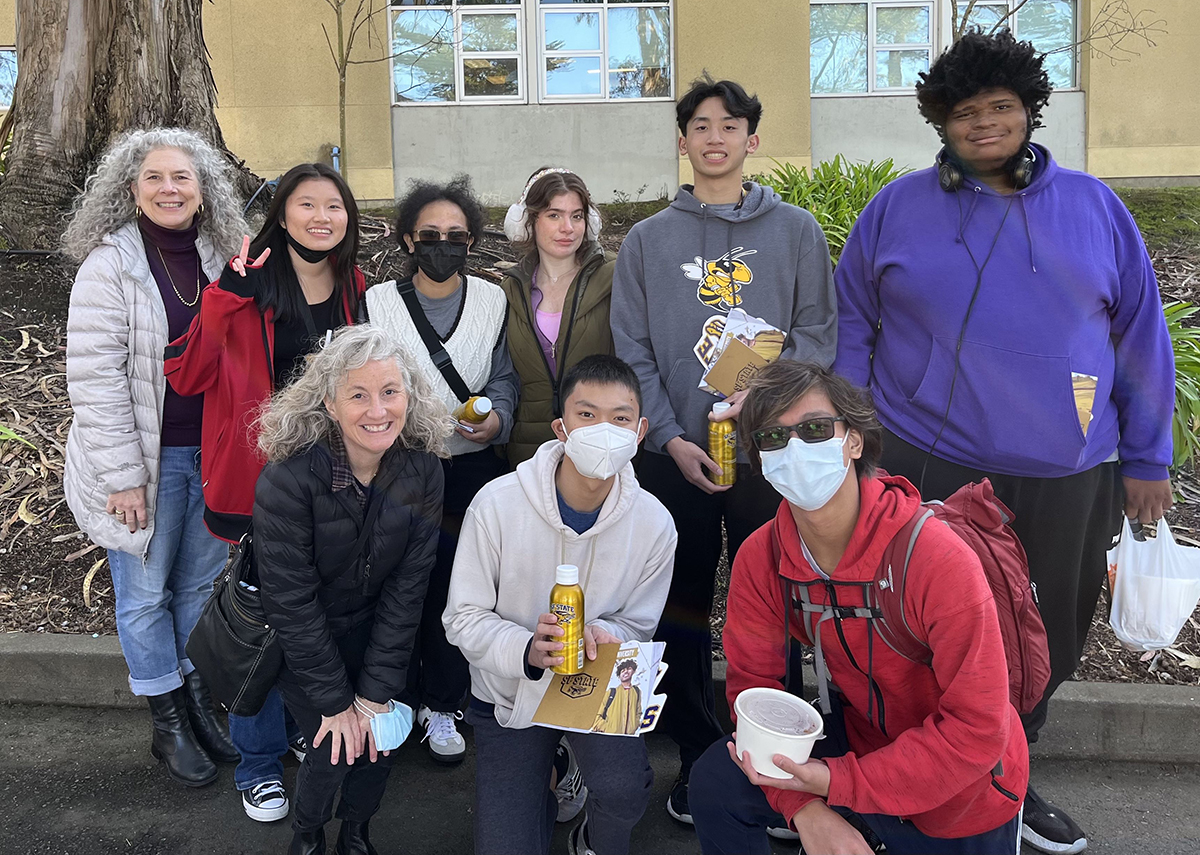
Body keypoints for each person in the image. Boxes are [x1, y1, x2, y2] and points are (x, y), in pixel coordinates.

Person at [832, 30, 1174, 855]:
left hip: (1066, 470)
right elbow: (852, 318)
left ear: (1029, 112)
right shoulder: (896, 208)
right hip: (926, 457)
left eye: (1000, 106)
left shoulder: (1095, 207)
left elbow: (1140, 336)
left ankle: (1006, 777)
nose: (983, 122)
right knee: (916, 629)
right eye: (964, 112)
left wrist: (1147, 457)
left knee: (1042, 639)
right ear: (939, 123)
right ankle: (906, 780)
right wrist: (853, 429)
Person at [610, 73, 837, 823]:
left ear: (752, 139)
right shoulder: (648, 240)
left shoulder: (796, 231)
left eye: (730, 126)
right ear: (683, 142)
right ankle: (697, 750)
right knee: (678, 605)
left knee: (772, 602)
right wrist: (670, 438)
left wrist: (765, 399)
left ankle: (778, 757)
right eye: (701, 126)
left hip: (771, 455)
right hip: (674, 459)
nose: (715, 138)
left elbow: (817, 335)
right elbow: (632, 348)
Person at [689, 360, 1028, 855]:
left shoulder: (935, 559)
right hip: (860, 739)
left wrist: (836, 783)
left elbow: (977, 729)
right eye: (773, 438)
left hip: (962, 791)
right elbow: (754, 695)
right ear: (760, 459)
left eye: (814, 429)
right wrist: (805, 810)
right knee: (717, 781)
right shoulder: (762, 557)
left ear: (854, 441)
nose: (795, 449)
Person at [165, 161, 367, 822]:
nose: (321, 217)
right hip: (261, 481)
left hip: (337, 479)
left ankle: (308, 726)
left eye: (333, 206)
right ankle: (257, 762)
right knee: (263, 622)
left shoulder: (355, 285)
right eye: (306, 204)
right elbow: (188, 373)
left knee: (320, 615)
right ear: (281, 215)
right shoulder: (246, 283)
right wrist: (225, 293)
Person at [63, 127, 246, 787]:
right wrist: (122, 476)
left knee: (196, 587)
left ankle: (196, 701)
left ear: (204, 188)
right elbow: (94, 378)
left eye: (182, 177)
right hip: (144, 461)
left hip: (212, 456)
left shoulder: (222, 256)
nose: (170, 189)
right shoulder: (110, 264)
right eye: (154, 178)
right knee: (144, 595)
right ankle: (167, 722)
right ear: (132, 189)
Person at [444, 355, 677, 855]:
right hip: (511, 694)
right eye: (586, 415)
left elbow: (639, 622)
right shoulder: (497, 504)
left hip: (594, 687)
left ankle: (591, 838)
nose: (603, 431)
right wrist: (526, 649)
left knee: (624, 789)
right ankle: (552, 772)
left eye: (620, 418)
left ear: (640, 432)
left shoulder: (655, 523)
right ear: (561, 427)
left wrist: (610, 634)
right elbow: (462, 617)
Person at [252, 324, 447, 855]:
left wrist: (374, 692)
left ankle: (357, 832)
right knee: (332, 747)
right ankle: (308, 833)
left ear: (409, 395)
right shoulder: (288, 480)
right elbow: (291, 602)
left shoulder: (424, 470)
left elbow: (409, 589)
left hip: (379, 630)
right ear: (330, 404)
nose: (377, 410)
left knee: (379, 742)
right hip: (307, 638)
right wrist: (338, 702)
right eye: (358, 395)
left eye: (390, 391)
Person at [365, 176, 518, 764]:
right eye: (429, 235)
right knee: (399, 582)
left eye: (456, 235)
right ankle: (393, 698)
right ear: (407, 239)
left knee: (460, 585)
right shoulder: (378, 302)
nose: (443, 245)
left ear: (472, 241)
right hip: (398, 466)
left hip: (470, 469)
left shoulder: (492, 300)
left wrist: (498, 418)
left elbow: (503, 374)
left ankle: (445, 703)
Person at [500, 167, 614, 467]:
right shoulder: (511, 289)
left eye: (577, 216)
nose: (568, 228)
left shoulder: (615, 278)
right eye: (554, 215)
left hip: (601, 444)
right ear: (527, 221)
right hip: (529, 452)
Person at [591, 661, 641, 736]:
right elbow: (597, 715)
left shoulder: (637, 692)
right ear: (619, 675)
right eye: (622, 671)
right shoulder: (611, 692)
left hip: (630, 738)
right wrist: (608, 729)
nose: (626, 672)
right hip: (610, 738)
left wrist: (634, 726)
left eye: (629, 669)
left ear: (633, 671)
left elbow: (638, 713)